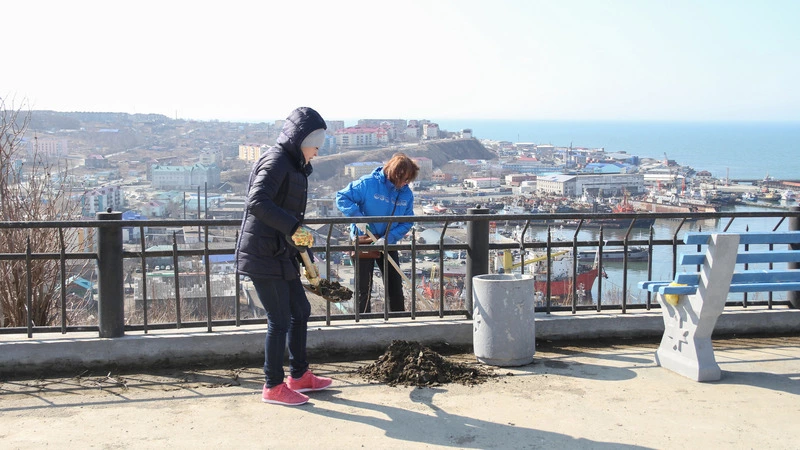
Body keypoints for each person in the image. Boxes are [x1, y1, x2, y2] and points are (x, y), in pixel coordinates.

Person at [235, 106, 332, 406]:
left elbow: (290, 218)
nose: (317, 152)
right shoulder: (277, 161)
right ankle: (273, 385)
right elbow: (257, 201)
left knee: (300, 310)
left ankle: (299, 375)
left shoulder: (294, 165)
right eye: (315, 145)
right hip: (262, 253)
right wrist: (294, 228)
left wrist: (304, 251)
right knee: (279, 319)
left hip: (280, 251)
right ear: (303, 141)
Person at [336, 153, 419, 313]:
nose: (404, 183)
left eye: (408, 180)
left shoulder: (406, 194)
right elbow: (342, 197)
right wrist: (357, 217)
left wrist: (389, 238)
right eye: (403, 179)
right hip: (364, 239)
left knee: (395, 285)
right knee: (364, 287)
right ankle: (363, 322)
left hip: (388, 241)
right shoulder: (368, 183)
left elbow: (407, 221)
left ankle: (398, 320)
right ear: (393, 173)